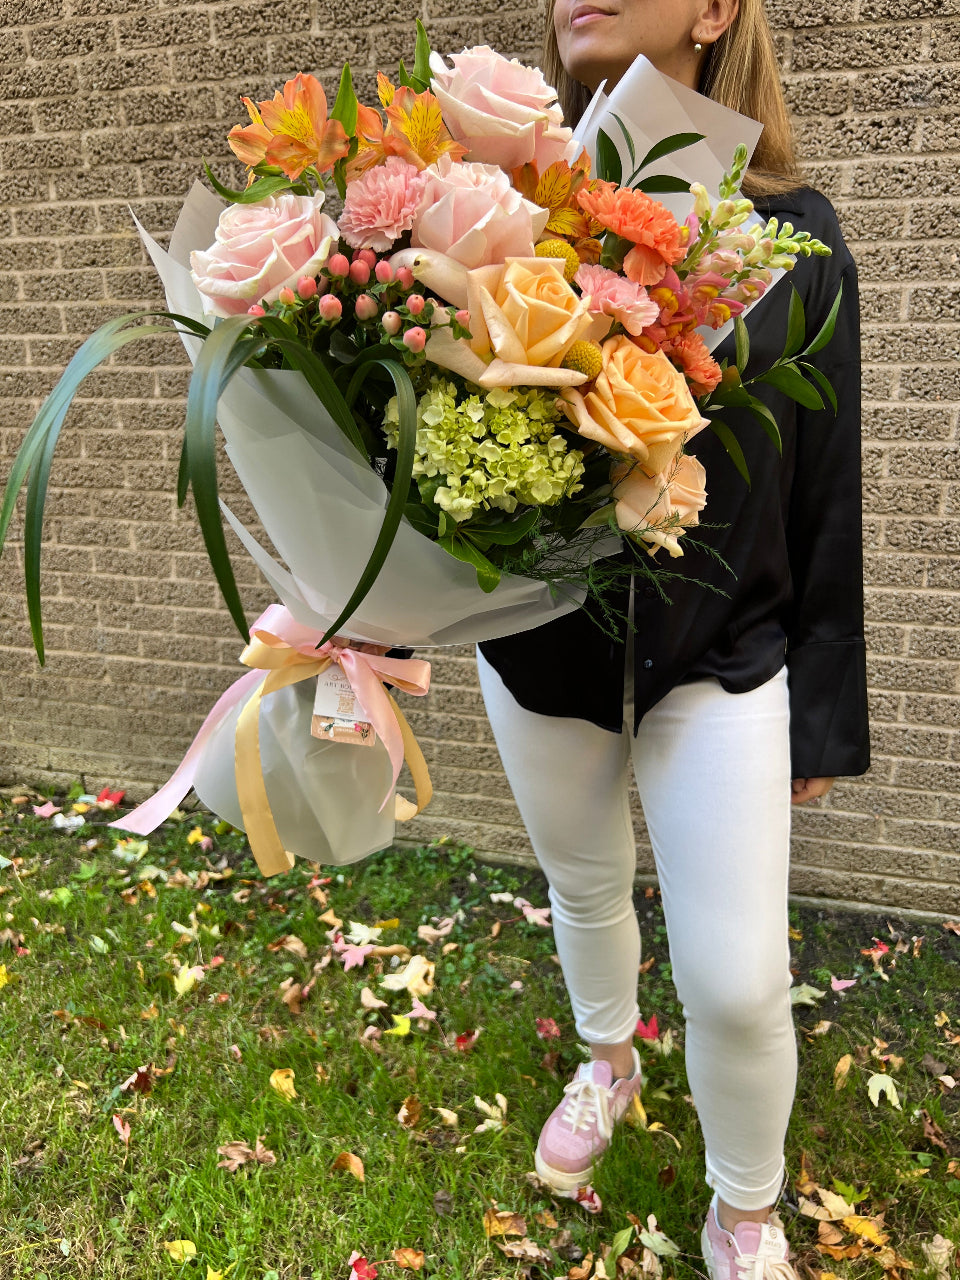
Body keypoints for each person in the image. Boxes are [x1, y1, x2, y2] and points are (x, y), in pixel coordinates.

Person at [476, 2, 870, 1277]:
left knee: (743, 977)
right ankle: (609, 1057)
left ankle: (742, 1208)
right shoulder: (501, 213)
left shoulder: (795, 240)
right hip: (542, 643)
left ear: (714, 11)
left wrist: (822, 702)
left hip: (724, 651)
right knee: (583, 883)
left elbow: (825, 480)